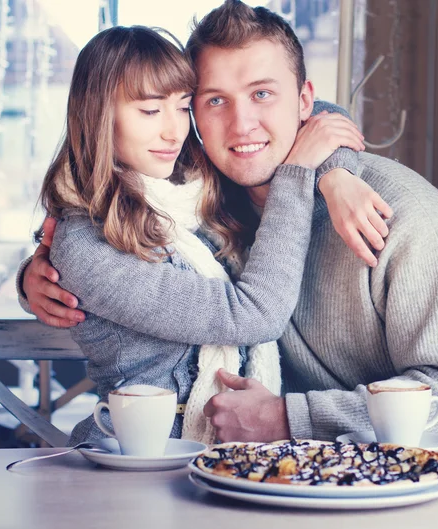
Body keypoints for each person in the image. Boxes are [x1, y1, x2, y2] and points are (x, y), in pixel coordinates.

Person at [21, 1, 438, 443]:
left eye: (263, 94)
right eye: (212, 101)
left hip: (390, 491)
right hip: (234, 474)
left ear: (303, 101)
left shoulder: (411, 218)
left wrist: (287, 418)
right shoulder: (205, 198)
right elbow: (108, 226)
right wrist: (39, 277)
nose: (241, 125)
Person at [30, 23, 380, 446]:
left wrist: (336, 174)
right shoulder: (85, 246)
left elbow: (313, 112)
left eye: (182, 107)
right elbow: (254, 316)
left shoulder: (193, 190)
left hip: (229, 458)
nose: (173, 132)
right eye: (149, 110)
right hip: (140, 462)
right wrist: (297, 175)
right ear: (97, 116)